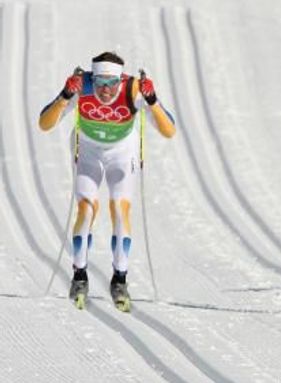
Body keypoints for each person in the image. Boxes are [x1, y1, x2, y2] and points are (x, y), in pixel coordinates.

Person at [39, 52, 176, 311]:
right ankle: (79, 276)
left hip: (122, 154)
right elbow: (44, 124)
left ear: (120, 80)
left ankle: (120, 279)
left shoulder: (133, 89)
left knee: (119, 210)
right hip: (89, 152)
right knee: (86, 208)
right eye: (99, 83)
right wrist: (65, 96)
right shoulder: (83, 85)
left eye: (110, 84)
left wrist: (153, 101)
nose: (104, 90)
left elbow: (169, 131)